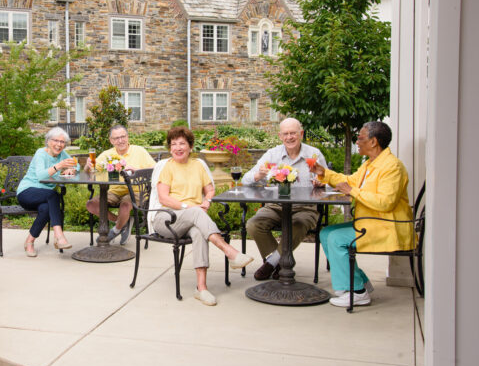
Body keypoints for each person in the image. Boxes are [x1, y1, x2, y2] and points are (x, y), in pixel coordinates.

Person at [311, 121, 414, 307]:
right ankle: (360, 283)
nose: (357, 142)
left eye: (360, 138)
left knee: (336, 238)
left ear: (373, 142)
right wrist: (324, 173)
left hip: (387, 226)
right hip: (370, 222)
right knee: (326, 233)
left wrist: (352, 191)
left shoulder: (392, 167)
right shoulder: (370, 164)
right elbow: (350, 180)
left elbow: (386, 202)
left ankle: (357, 292)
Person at [150, 127, 253, 306]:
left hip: (192, 218)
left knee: (198, 232)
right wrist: (190, 207)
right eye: (173, 144)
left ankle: (201, 288)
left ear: (190, 146)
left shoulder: (198, 165)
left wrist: (207, 201)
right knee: (197, 213)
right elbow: (163, 197)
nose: (177, 147)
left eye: (182, 143)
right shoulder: (167, 167)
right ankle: (229, 251)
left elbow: (210, 189)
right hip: (167, 218)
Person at [241, 118, 327, 280]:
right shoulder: (272, 154)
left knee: (298, 225)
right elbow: (246, 179)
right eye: (286, 134)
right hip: (275, 206)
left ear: (301, 134)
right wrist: (258, 175)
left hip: (305, 207)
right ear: (280, 136)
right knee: (253, 225)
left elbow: (329, 181)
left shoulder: (313, 155)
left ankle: (271, 263)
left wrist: (321, 182)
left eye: (293, 133)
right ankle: (280, 263)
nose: (289, 137)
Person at [84, 125, 156, 245]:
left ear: (128, 137)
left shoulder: (139, 151)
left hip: (136, 190)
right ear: (111, 140)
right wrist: (87, 165)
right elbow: (91, 171)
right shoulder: (107, 154)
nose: (120, 140)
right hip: (113, 191)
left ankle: (117, 229)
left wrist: (137, 170)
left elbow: (155, 169)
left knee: (125, 205)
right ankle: (124, 222)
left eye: (123, 136)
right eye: (116, 138)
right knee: (91, 205)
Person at [16, 127, 78, 257]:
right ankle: (59, 236)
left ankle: (29, 242)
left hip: (45, 198)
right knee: (53, 195)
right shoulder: (41, 153)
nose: (59, 145)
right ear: (48, 141)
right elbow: (41, 176)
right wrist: (59, 166)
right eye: (56, 140)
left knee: (46, 208)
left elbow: (76, 164)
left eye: (62, 142)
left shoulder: (61, 154)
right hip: (27, 192)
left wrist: (71, 170)